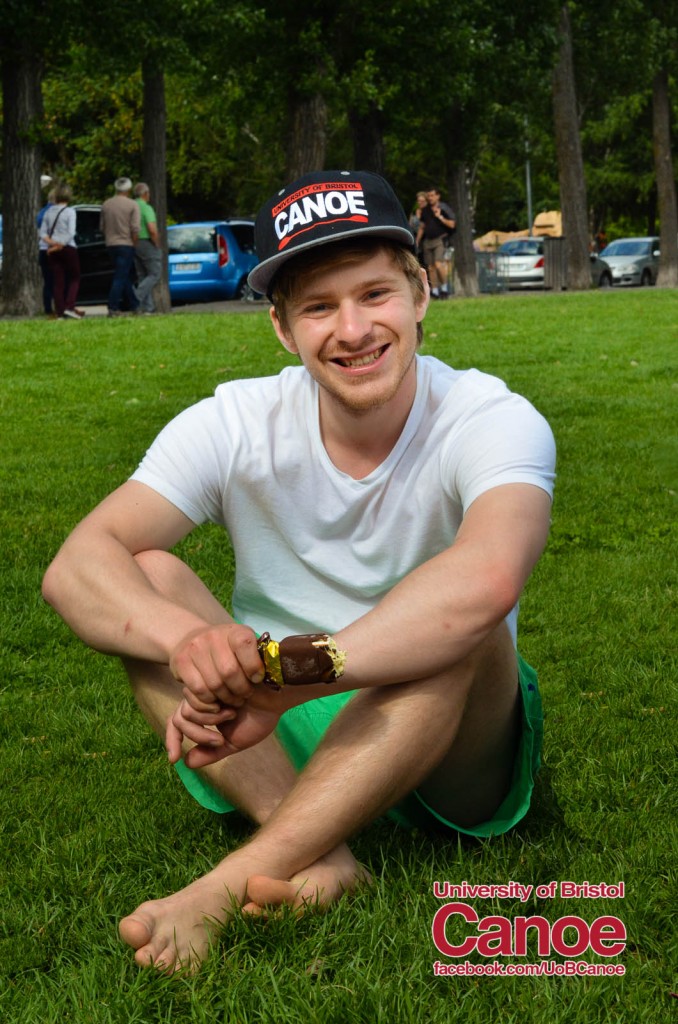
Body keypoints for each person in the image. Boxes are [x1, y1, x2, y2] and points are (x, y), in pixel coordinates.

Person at [42, 169, 556, 975]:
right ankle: (320, 849)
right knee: (144, 570)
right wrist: (188, 644)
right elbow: (77, 565)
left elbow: (489, 581)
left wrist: (290, 674)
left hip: (449, 736)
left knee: (463, 620)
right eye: (319, 307)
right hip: (280, 738)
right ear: (283, 328)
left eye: (375, 295)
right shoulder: (236, 419)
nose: (352, 329)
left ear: (420, 295)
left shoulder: (491, 417)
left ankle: (232, 881)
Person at [40, 182, 83, 320]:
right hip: (68, 247)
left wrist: (52, 244)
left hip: (52, 250)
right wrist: (60, 244)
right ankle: (70, 306)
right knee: (75, 278)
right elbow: (71, 232)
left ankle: (59, 311)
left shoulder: (48, 212)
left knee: (58, 281)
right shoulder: (70, 212)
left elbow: (42, 233)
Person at [100, 176, 140, 317]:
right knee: (120, 276)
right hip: (126, 244)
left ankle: (135, 304)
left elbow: (102, 227)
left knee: (124, 275)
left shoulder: (106, 204)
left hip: (111, 244)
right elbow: (135, 228)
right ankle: (112, 306)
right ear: (129, 189)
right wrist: (134, 244)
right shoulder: (132, 205)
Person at [416, 187, 456, 299]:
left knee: (438, 264)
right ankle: (435, 291)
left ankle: (444, 288)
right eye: (429, 196)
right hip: (428, 241)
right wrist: (417, 241)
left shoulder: (444, 208)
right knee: (431, 267)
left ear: (438, 196)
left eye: (432, 195)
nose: (430, 198)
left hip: (440, 240)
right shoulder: (426, 210)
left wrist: (440, 217)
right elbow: (422, 227)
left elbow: (452, 224)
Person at [133, 182, 162, 314]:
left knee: (142, 275)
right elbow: (152, 229)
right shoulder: (146, 208)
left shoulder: (132, 206)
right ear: (145, 194)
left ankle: (147, 308)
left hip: (133, 242)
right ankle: (135, 298)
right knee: (155, 273)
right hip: (145, 241)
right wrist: (156, 243)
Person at [37, 181, 56, 316]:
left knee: (48, 281)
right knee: (59, 279)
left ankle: (48, 307)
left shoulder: (41, 212)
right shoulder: (56, 212)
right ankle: (59, 307)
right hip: (53, 248)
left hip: (43, 249)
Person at [409, 191, 427, 267]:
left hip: (425, 238)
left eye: (422, 201)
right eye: (419, 201)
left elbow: (423, 227)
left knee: (425, 260)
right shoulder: (414, 211)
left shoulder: (427, 212)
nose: (420, 203)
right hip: (415, 236)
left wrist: (418, 240)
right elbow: (410, 223)